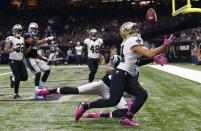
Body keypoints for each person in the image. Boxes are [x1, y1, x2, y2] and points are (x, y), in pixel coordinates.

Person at [74, 22, 175, 126]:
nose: (136, 31)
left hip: (126, 74)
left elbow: (138, 60)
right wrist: (164, 46)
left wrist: (153, 58)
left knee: (142, 95)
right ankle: (84, 106)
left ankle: (127, 118)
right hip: (121, 74)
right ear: (128, 32)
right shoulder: (132, 41)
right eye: (134, 29)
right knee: (113, 101)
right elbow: (149, 53)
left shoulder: (128, 41)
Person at [37, 54, 167, 111]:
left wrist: (153, 58)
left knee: (125, 110)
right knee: (77, 90)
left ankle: (97, 114)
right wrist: (116, 70)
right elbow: (108, 68)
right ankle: (49, 91)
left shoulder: (135, 69)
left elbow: (132, 83)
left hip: (111, 93)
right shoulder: (120, 60)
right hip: (101, 85)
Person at [23, 22, 54, 100]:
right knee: (38, 73)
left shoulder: (35, 36)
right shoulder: (27, 35)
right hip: (29, 58)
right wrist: (46, 39)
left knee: (47, 70)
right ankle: (37, 92)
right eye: (33, 28)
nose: (35, 30)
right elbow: (35, 43)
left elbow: (34, 50)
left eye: (36, 29)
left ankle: (41, 87)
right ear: (30, 28)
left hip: (35, 58)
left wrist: (42, 57)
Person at [4, 24, 28, 99]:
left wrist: (24, 58)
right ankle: (15, 94)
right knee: (18, 77)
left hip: (20, 61)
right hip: (13, 61)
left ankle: (13, 78)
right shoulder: (10, 38)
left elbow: (23, 50)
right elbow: (5, 50)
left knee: (25, 77)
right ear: (13, 31)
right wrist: (14, 49)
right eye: (17, 30)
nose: (18, 31)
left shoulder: (22, 39)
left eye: (20, 30)